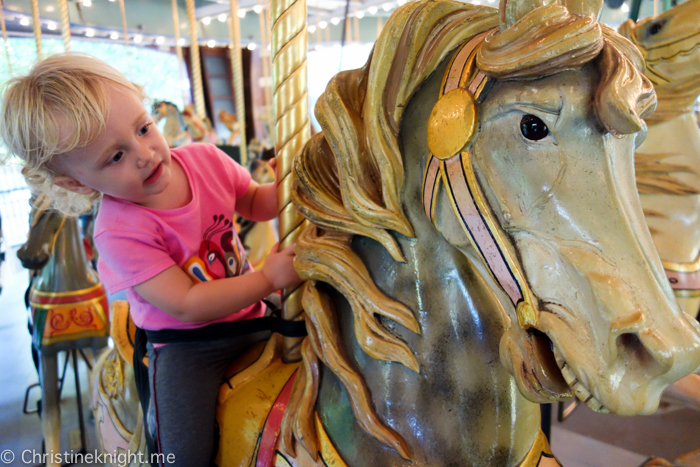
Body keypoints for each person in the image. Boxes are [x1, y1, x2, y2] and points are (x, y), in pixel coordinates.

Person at [0, 53, 302, 466]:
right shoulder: (118, 229)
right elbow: (187, 303)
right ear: (76, 182)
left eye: (144, 128)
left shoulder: (205, 160)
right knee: (185, 453)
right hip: (190, 348)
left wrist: (286, 183)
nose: (144, 153)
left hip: (254, 313)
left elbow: (254, 201)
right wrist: (268, 277)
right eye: (115, 157)